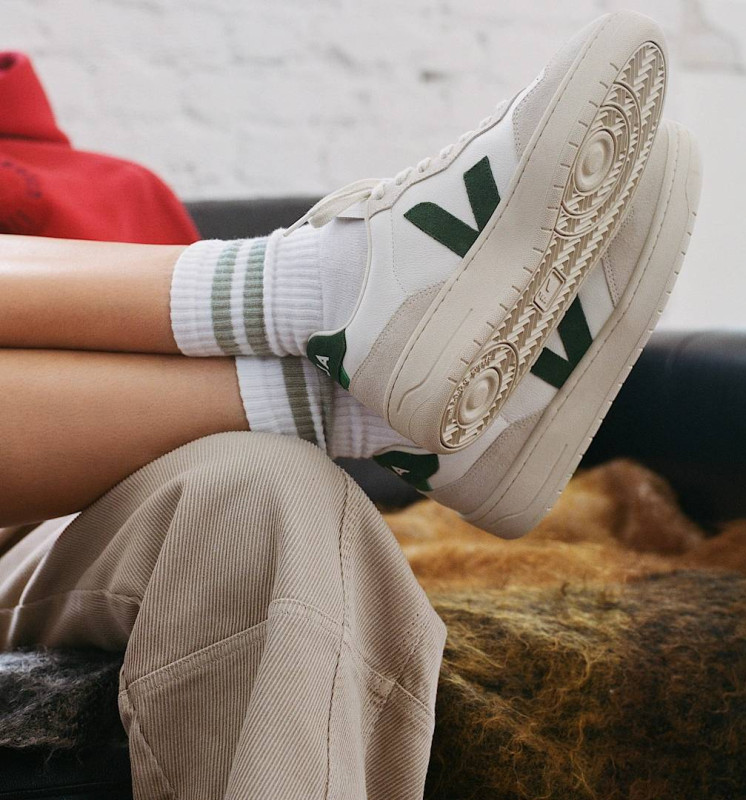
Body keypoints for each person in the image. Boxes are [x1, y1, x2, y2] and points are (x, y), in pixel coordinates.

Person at [0, 11, 701, 800]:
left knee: (269, 496)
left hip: (71, 508)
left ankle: (344, 354)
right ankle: (342, 333)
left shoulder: (116, 188)